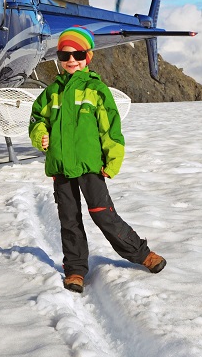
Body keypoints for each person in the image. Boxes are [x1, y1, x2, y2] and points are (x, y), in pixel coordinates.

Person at [29, 26, 166, 294]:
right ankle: (75, 270)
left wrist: (112, 162)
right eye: (64, 55)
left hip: (91, 166)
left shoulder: (96, 90)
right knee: (69, 220)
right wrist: (40, 136)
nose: (71, 61)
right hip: (60, 167)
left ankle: (142, 254)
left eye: (77, 54)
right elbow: (37, 120)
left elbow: (111, 130)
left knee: (104, 215)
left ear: (88, 56)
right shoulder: (51, 92)